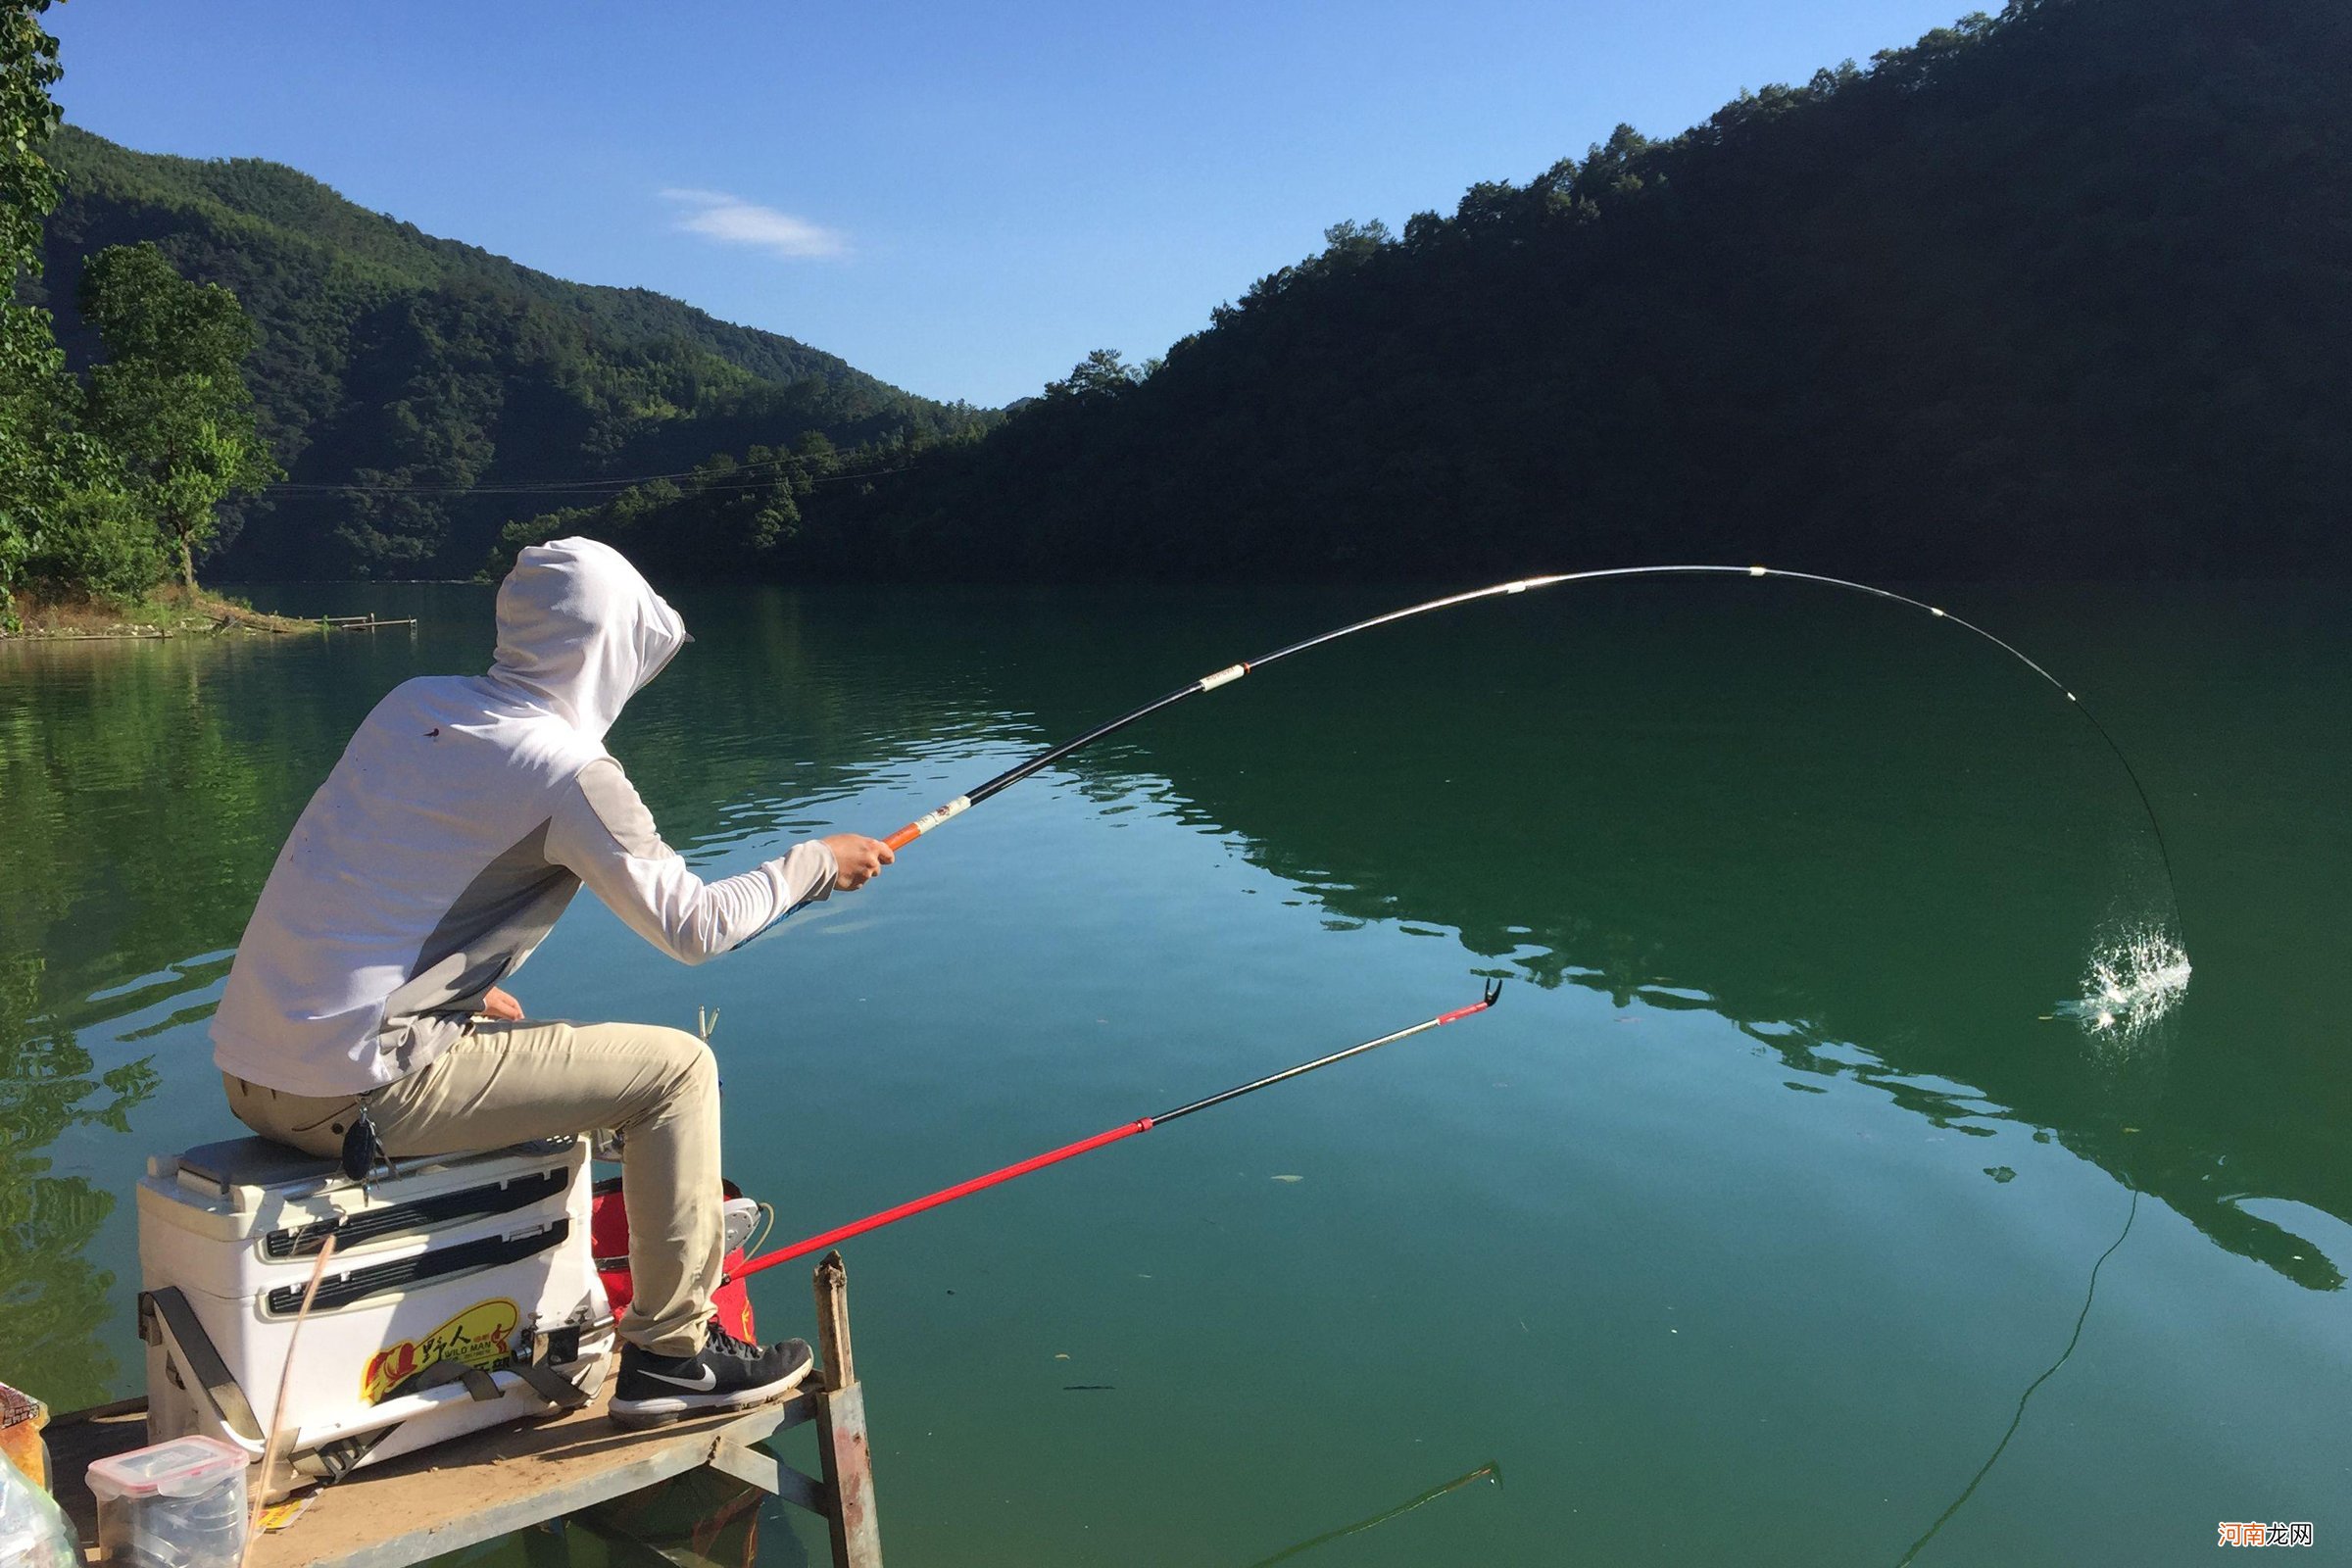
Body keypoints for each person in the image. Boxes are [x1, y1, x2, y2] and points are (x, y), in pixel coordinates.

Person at [210, 537, 893, 1427]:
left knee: (556, 1048)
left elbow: (369, 879)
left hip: (253, 1073)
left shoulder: (413, 704)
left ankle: (552, 1298)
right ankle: (672, 1353)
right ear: (612, 649)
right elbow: (696, 928)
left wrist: (450, 986)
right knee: (675, 1071)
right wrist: (814, 861)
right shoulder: (570, 771)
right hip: (357, 1086)